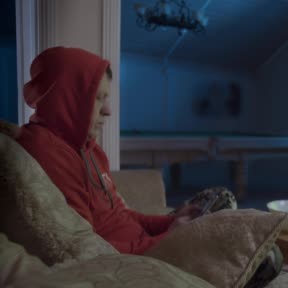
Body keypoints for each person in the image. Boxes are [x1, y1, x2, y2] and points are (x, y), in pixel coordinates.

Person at [16, 46, 201, 254]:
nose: (108, 110)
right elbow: (82, 249)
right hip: (130, 261)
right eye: (97, 98)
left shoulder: (90, 150)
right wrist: (167, 239)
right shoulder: (46, 151)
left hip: (144, 246)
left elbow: (121, 215)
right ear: (67, 96)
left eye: (106, 98)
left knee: (217, 205)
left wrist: (171, 222)